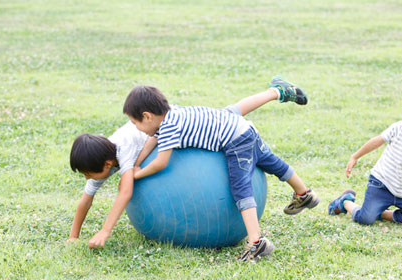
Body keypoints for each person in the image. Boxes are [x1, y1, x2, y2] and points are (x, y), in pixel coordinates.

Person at [122, 76, 320, 262]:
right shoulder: (172, 112)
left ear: (147, 116)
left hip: (235, 141)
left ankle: (256, 242)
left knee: (240, 187)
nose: (135, 127)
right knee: (271, 162)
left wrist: (138, 173)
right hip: (242, 127)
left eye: (135, 122)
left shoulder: (169, 128)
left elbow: (160, 162)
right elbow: (151, 140)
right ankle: (304, 193)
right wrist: (136, 163)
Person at [328, 85, 402, 226]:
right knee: (366, 219)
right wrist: (355, 156)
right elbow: (377, 141)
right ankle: (345, 201)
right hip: (381, 184)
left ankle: (382, 212)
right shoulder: (399, 128)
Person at [68, 122, 157, 248]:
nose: (87, 178)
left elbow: (126, 192)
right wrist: (73, 237)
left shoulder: (124, 149)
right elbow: (85, 200)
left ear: (108, 165)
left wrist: (105, 231)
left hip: (164, 126)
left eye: (88, 174)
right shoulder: (101, 156)